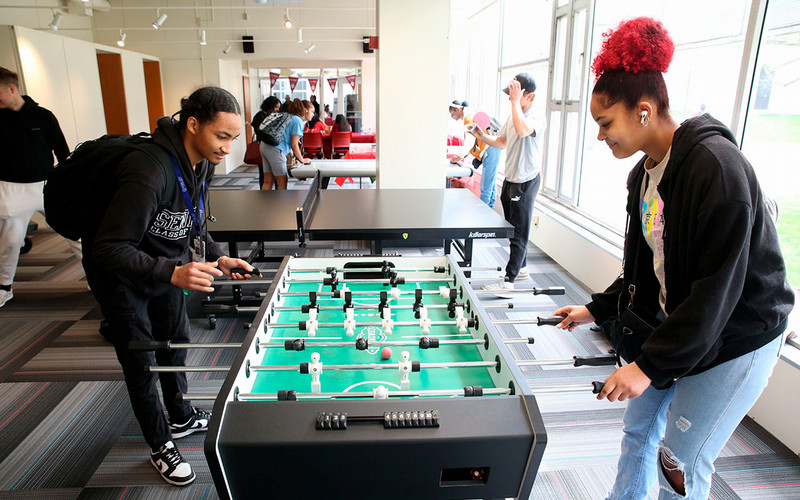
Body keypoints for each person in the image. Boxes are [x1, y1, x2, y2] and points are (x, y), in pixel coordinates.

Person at [552, 18, 794, 500]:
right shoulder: (644, 175)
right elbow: (647, 266)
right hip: (684, 324)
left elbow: (715, 296)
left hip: (737, 336)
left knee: (678, 461)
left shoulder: (719, 173)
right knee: (638, 430)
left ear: (643, 111)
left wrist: (646, 367)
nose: (601, 137)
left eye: (606, 123)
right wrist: (597, 308)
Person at [81, 86, 259, 486]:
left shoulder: (200, 164)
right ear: (192, 124)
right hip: (120, 276)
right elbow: (107, 246)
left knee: (175, 339)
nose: (228, 148)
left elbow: (191, 221)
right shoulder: (149, 172)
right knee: (142, 359)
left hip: (164, 265)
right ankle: (160, 442)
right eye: (222, 136)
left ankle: (179, 415)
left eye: (234, 137)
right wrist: (173, 273)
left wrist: (216, 255)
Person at [0, 66, 70, 308]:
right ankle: (4, 288)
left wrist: (68, 181)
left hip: (46, 186)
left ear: (11, 88)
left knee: (77, 234)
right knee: (10, 242)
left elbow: (62, 150)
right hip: (11, 189)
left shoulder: (43, 116)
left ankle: (96, 277)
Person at [470, 73, 545, 296]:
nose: (510, 98)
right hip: (510, 180)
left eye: (515, 94)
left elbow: (523, 131)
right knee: (512, 230)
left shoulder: (535, 116)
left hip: (525, 181)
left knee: (519, 233)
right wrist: (481, 135)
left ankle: (508, 282)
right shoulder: (514, 115)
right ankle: (521, 268)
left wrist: (515, 103)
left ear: (528, 96)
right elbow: (501, 142)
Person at [448, 99, 501, 208]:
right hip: (490, 149)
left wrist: (458, 157)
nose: (452, 116)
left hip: (490, 149)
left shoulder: (468, 119)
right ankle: (489, 207)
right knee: (490, 181)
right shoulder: (469, 118)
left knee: (486, 184)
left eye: (452, 113)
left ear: (458, 109)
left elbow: (470, 142)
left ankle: (484, 211)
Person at [260, 98, 310, 190]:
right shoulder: (298, 121)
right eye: (312, 111)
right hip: (275, 149)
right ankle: (281, 204)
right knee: (282, 182)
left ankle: (265, 204)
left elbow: (287, 140)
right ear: (305, 110)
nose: (313, 114)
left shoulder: (289, 117)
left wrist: (292, 157)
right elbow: (294, 144)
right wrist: (302, 160)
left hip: (265, 145)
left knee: (268, 181)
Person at [251, 95, 280, 189]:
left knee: (275, 174)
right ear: (270, 106)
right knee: (265, 174)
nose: (277, 110)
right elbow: (264, 133)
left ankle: (275, 195)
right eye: (276, 107)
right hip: (264, 147)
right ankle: (265, 196)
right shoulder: (260, 116)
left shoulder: (271, 116)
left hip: (272, 148)